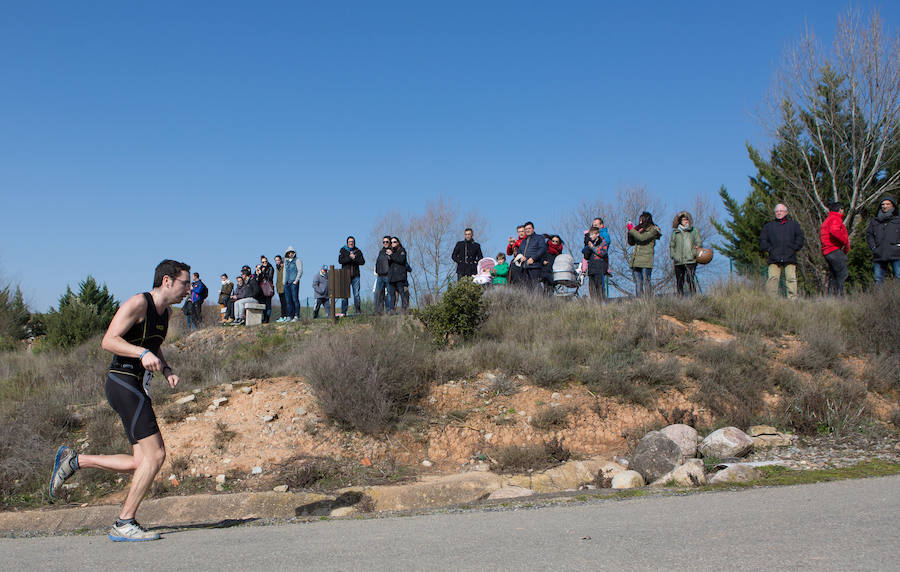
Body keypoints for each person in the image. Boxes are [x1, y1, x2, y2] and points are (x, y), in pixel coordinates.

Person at [49, 259, 191, 542]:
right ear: (167, 281)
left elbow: (154, 346)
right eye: (185, 283)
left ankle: (75, 460)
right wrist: (140, 354)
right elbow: (108, 340)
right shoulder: (139, 303)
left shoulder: (166, 313)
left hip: (135, 385)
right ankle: (124, 521)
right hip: (122, 382)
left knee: (140, 461)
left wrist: (165, 369)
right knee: (156, 455)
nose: (189, 288)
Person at [759, 203, 805, 299]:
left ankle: (793, 299)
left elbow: (800, 238)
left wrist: (794, 248)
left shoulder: (794, 225)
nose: (779, 213)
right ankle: (772, 300)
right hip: (773, 257)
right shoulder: (768, 226)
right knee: (772, 279)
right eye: (777, 211)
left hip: (790, 256)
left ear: (786, 212)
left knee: (791, 279)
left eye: (781, 211)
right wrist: (769, 249)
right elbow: (762, 240)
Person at [866, 197, 900, 283]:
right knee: (878, 279)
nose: (885, 206)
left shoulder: (898, 220)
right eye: (883, 204)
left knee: (899, 276)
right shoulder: (875, 221)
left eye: (887, 204)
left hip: (896, 254)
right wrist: (873, 247)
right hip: (879, 254)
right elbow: (869, 234)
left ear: (893, 206)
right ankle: (878, 296)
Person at [627, 212, 661, 297]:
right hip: (636, 260)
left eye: (642, 220)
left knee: (646, 281)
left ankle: (648, 301)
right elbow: (631, 242)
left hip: (646, 260)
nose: (640, 222)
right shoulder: (639, 230)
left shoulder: (653, 230)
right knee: (638, 282)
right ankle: (639, 301)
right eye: (639, 220)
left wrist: (632, 230)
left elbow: (642, 238)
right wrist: (630, 232)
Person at [820, 202, 850, 295]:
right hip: (834, 250)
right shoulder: (836, 218)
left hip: (827, 251)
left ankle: (832, 298)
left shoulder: (827, 219)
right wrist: (844, 241)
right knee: (842, 275)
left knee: (833, 276)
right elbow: (834, 231)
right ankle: (840, 296)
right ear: (840, 209)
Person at [669, 211, 702, 297]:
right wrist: (673, 255)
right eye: (684, 220)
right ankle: (680, 297)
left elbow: (699, 243)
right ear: (680, 221)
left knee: (690, 279)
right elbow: (672, 245)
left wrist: (695, 252)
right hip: (678, 260)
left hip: (691, 259)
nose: (686, 221)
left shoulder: (693, 231)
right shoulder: (675, 233)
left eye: (687, 219)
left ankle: (694, 297)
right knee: (679, 281)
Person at [338, 236, 366, 315]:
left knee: (356, 294)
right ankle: (344, 312)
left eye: (352, 241)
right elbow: (340, 261)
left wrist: (355, 258)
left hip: (355, 276)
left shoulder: (358, 251)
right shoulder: (343, 250)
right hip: (345, 276)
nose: (351, 243)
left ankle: (358, 311)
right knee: (344, 295)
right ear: (347, 242)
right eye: (350, 241)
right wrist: (350, 258)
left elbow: (362, 262)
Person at [518, 221, 547, 290]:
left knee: (536, 286)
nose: (527, 230)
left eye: (529, 228)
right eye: (526, 229)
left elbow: (542, 249)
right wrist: (521, 257)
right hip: (524, 267)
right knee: (527, 288)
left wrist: (533, 258)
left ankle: (540, 300)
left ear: (533, 229)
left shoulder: (539, 238)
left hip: (535, 266)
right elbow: (519, 252)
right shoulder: (523, 241)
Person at [582, 226, 609, 301]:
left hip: (600, 268)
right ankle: (594, 305)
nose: (591, 236)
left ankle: (601, 304)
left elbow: (602, 253)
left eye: (592, 234)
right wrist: (588, 248)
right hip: (591, 269)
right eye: (590, 235)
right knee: (592, 288)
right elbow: (586, 256)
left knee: (600, 287)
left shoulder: (603, 242)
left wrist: (593, 247)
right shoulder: (589, 244)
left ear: (597, 234)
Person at [388, 237, 410, 312]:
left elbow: (401, 260)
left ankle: (404, 309)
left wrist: (391, 255)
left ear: (398, 242)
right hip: (392, 278)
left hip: (400, 277)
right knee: (392, 295)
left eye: (394, 242)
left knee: (402, 293)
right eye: (391, 242)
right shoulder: (391, 252)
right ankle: (391, 309)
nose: (393, 243)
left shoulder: (402, 250)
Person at [281, 247, 302, 322]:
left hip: (293, 282)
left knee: (295, 299)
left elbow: (300, 271)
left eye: (292, 253)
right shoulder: (286, 261)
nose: (290, 254)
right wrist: (284, 282)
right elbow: (284, 272)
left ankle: (297, 315)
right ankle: (290, 315)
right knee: (288, 300)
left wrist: (296, 280)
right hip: (286, 283)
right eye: (289, 253)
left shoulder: (297, 260)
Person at [374, 236, 393, 314]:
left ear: (390, 242)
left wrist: (391, 256)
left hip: (388, 275)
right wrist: (377, 271)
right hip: (380, 276)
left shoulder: (392, 251)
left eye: (387, 242)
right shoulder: (381, 251)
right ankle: (378, 311)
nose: (385, 243)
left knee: (389, 294)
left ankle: (389, 310)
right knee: (378, 293)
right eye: (384, 242)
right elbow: (378, 262)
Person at [257, 255, 275, 323]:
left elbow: (270, 277)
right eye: (263, 262)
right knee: (263, 304)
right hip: (262, 288)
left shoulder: (270, 268)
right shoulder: (260, 268)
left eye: (265, 261)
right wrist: (259, 273)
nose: (264, 263)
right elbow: (259, 279)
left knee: (268, 304)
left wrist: (263, 273)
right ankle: (264, 318)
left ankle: (267, 318)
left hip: (268, 287)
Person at [273, 255, 286, 320]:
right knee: (282, 303)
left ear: (281, 260)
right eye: (276, 260)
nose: (277, 261)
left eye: (278, 260)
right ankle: (282, 316)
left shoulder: (284, 267)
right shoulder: (277, 268)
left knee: (285, 302)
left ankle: (285, 316)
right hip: (279, 287)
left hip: (284, 287)